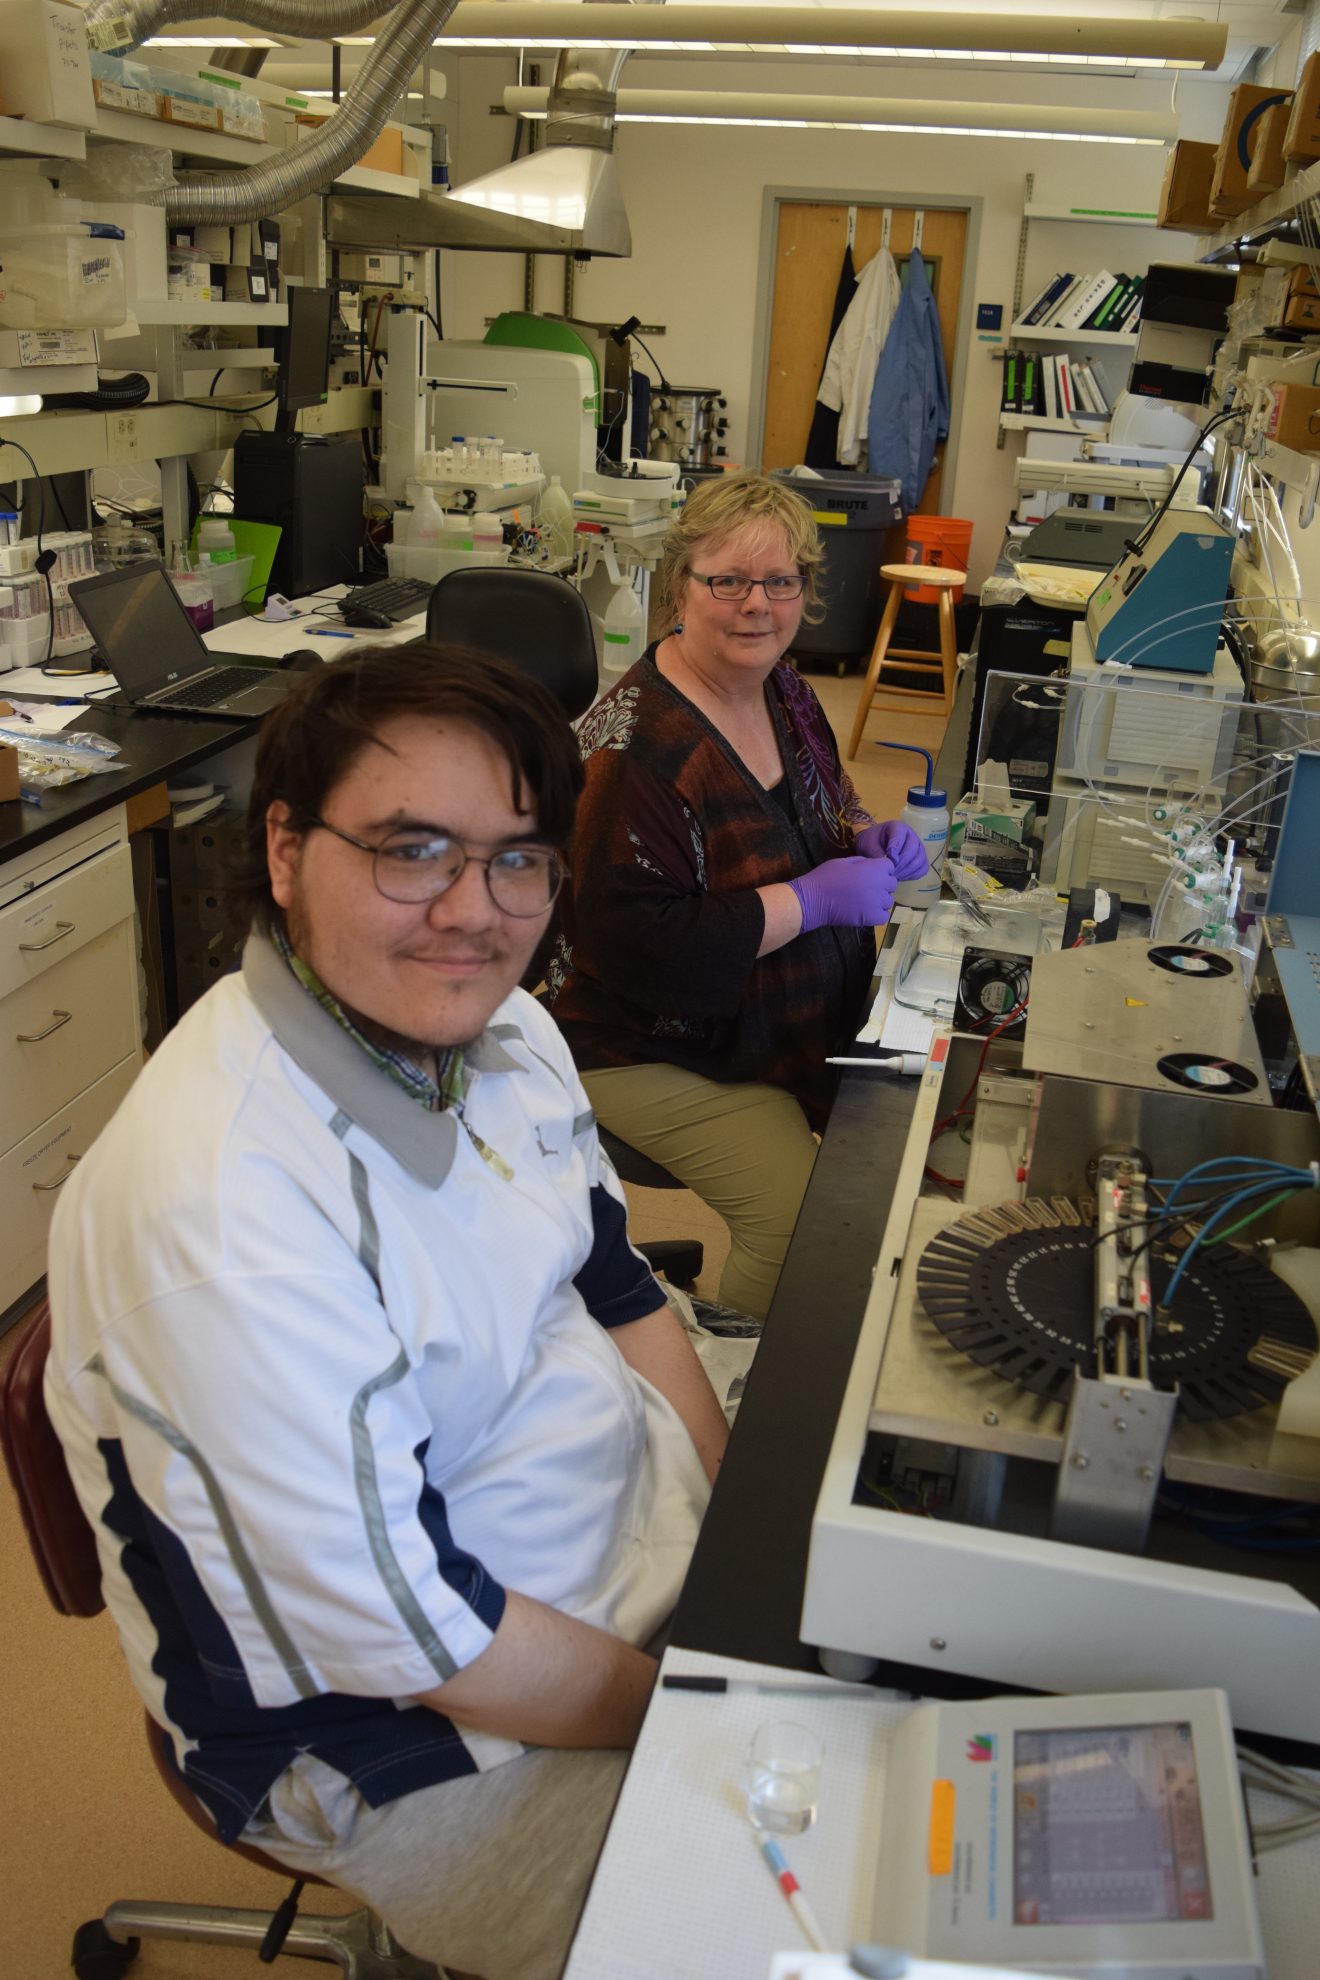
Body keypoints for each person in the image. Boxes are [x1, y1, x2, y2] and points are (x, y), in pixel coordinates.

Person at [44, 645, 728, 1980]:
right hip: (408, 1739)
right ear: (288, 850)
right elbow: (422, 1635)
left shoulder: (500, 1030)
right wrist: (708, 1710)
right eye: (414, 849)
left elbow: (611, 1272)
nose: (474, 912)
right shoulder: (226, 1217)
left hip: (605, 1538)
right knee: (786, 1922)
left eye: (519, 856)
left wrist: (738, 1500)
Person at [545, 471, 928, 1323]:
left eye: (781, 580)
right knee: (801, 1221)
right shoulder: (635, 750)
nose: (758, 604)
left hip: (758, 1022)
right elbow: (645, 950)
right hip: (641, 1045)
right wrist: (816, 901)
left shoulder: (782, 687)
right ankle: (740, 1396)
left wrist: (861, 831)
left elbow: (827, 795)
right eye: (729, 581)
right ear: (681, 586)